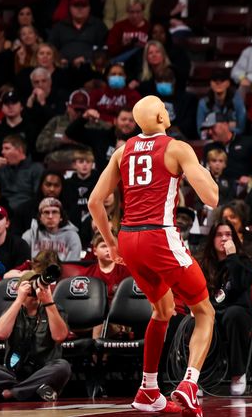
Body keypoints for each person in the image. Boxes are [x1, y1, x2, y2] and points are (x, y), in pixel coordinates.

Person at [88, 95, 219, 415]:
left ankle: (148, 389)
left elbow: (94, 202)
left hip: (129, 240)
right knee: (204, 312)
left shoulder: (122, 152)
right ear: (162, 118)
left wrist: (111, 242)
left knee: (161, 311)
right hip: (159, 235)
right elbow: (212, 199)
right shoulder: (177, 148)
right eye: (164, 108)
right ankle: (189, 383)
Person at [0, 270, 71, 403]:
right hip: (14, 372)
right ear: (19, 289)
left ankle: (7, 394)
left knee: (63, 367)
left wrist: (48, 302)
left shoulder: (54, 309)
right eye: (31, 286)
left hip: (44, 370)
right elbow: (0, 334)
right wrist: (19, 299)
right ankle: (33, 390)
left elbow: (60, 337)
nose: (36, 290)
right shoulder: (12, 309)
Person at [196, 220, 252, 396]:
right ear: (212, 239)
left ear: (234, 239)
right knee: (198, 321)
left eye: (228, 235)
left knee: (233, 315)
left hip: (238, 311)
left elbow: (238, 285)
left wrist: (232, 257)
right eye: (219, 235)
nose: (223, 238)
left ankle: (238, 374)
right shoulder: (203, 263)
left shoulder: (244, 262)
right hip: (212, 311)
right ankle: (199, 377)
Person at [85, 231, 132, 337]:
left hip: (121, 317)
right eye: (104, 246)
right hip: (94, 317)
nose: (108, 250)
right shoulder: (87, 274)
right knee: (99, 320)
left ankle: (97, 352)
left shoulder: (126, 271)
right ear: (95, 251)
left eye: (112, 246)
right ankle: (96, 351)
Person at [65, 106, 138, 172]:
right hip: (102, 181)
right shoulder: (101, 136)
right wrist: (85, 117)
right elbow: (71, 133)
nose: (127, 123)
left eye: (131, 121)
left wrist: (129, 150)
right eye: (123, 119)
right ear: (115, 121)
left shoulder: (141, 141)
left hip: (129, 183)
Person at [0, 134, 44, 213]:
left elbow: (39, 195)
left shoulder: (36, 168)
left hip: (28, 211)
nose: (2, 152)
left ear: (19, 150)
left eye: (7, 148)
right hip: (3, 211)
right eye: (3, 149)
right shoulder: (1, 170)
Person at [21, 197, 81, 262]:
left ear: (61, 217)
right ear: (40, 217)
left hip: (64, 271)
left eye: (54, 212)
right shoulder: (30, 235)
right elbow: (25, 262)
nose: (50, 216)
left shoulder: (72, 236)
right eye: (46, 212)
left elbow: (73, 265)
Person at [61, 149, 98, 251]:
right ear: (74, 164)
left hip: (93, 225)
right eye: (81, 162)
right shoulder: (67, 184)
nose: (85, 165)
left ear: (93, 164)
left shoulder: (99, 182)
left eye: (88, 162)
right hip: (72, 225)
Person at [196, 69, 246, 136]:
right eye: (215, 80)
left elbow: (241, 129)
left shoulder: (237, 101)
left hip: (233, 139)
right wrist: (227, 128)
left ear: (228, 83)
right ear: (210, 83)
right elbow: (201, 132)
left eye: (222, 80)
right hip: (211, 141)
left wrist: (216, 129)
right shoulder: (203, 103)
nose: (218, 83)